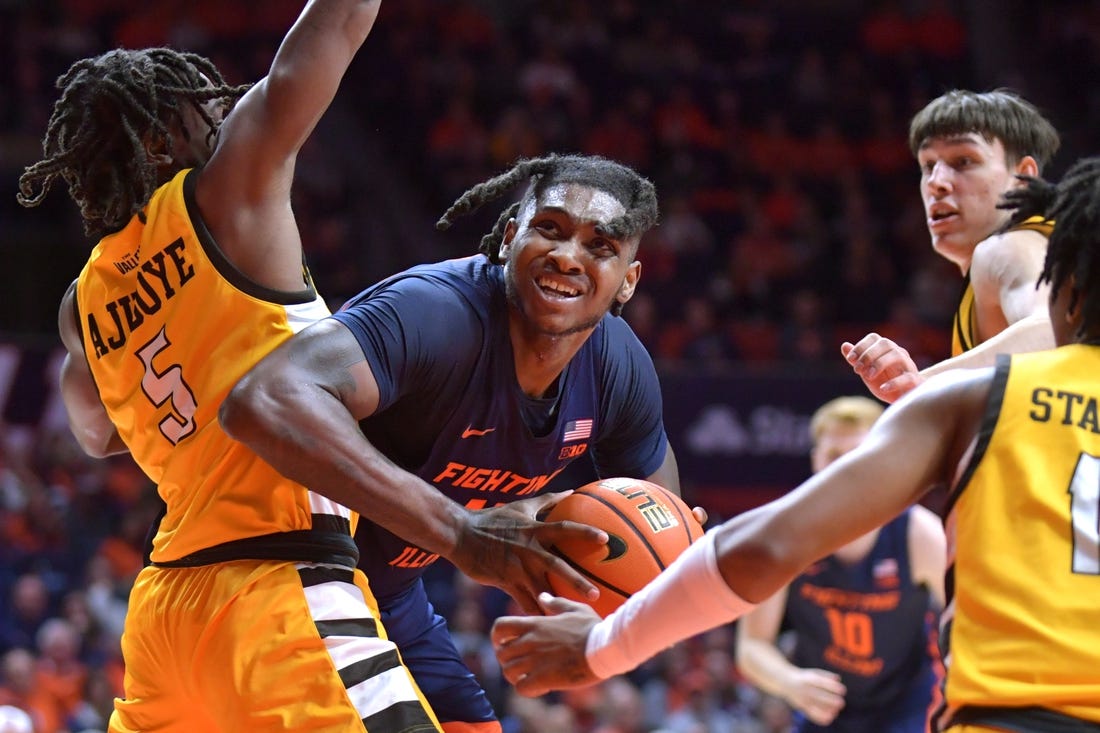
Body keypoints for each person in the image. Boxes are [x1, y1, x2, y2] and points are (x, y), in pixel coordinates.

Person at [490, 156, 1100, 732]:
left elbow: (770, 545)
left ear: (1064, 283)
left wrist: (601, 646)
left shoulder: (974, 402)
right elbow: (758, 639)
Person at [16, 2, 445, 730]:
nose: (215, 115)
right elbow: (332, 30)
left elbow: (97, 433)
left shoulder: (79, 304)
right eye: (196, 109)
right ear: (159, 137)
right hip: (277, 589)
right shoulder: (224, 194)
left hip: (164, 621)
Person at [219, 152, 685, 732]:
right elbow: (264, 399)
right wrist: (459, 529)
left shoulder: (619, 368)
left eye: (601, 247)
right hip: (278, 576)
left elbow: (662, 527)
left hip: (389, 599)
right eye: (551, 229)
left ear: (628, 281)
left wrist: (606, 628)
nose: (568, 256)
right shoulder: (436, 314)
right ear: (511, 236)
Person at [736, 396, 945, 732]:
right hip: (824, 707)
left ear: (883, 459)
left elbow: (971, 621)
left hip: (908, 704)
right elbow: (751, 646)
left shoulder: (920, 535)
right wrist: (789, 681)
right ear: (815, 460)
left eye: (858, 455)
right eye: (833, 455)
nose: (845, 468)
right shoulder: (785, 536)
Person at [842, 89, 1061, 402]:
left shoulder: (1008, 246)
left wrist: (920, 384)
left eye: (963, 161)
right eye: (929, 165)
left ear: (1023, 178)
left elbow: (1052, 330)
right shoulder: (1025, 256)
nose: (937, 182)